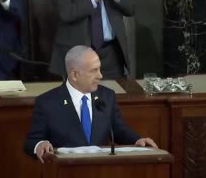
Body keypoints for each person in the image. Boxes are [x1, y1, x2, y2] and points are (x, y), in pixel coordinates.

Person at [24, 45, 157, 162]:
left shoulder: (106, 96)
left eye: (99, 69)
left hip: (100, 170)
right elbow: (31, 142)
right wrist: (39, 144)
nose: (100, 76)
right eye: (93, 71)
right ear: (74, 74)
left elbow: (119, 129)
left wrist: (137, 140)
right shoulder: (48, 102)